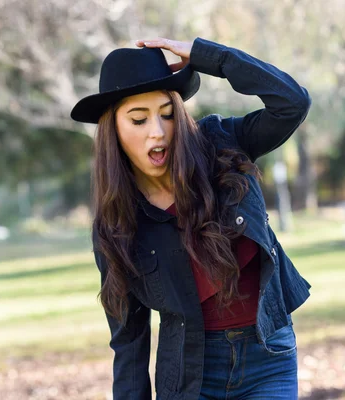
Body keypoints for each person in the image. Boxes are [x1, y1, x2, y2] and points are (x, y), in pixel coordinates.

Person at [70, 37, 312, 400]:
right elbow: (129, 342)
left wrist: (208, 57)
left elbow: (291, 103)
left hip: (269, 356)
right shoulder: (115, 227)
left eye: (168, 113)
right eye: (139, 119)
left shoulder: (222, 143)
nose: (158, 130)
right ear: (113, 130)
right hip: (190, 376)